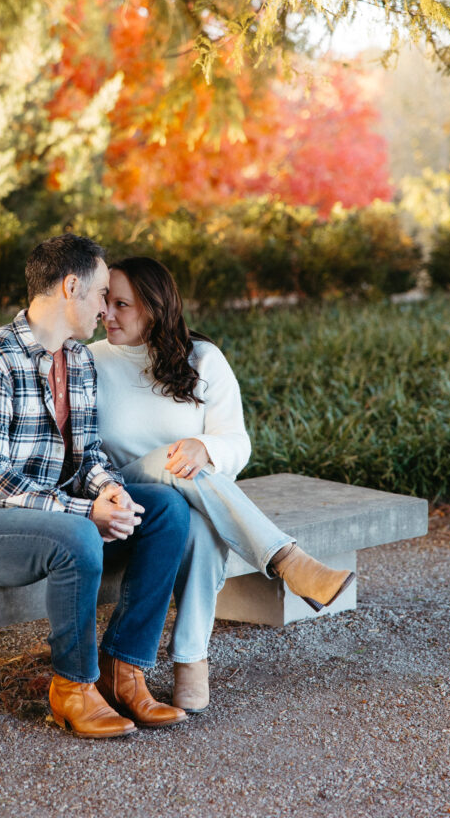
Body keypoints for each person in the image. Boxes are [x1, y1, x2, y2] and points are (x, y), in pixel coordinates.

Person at [0, 235, 191, 739]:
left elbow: (88, 456)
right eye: (102, 293)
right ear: (71, 287)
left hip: (42, 513)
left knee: (167, 510)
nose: (107, 308)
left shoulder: (79, 361)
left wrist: (110, 491)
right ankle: (72, 687)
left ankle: (123, 669)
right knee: (78, 535)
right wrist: (83, 514)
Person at [90, 256, 354, 713]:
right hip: (123, 495)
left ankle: (190, 660)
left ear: (154, 308)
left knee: (201, 526)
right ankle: (287, 560)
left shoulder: (202, 358)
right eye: (104, 303)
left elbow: (238, 442)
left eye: (121, 305)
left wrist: (204, 447)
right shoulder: (90, 361)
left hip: (190, 503)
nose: (106, 315)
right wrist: (186, 455)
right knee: (178, 466)